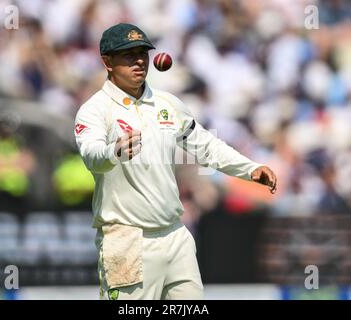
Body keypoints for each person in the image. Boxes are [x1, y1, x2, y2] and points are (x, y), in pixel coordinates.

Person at [74, 23, 277, 300]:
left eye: (142, 53)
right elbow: (91, 155)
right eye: (128, 54)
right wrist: (113, 152)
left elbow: (206, 146)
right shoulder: (94, 110)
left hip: (175, 235)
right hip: (126, 240)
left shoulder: (167, 104)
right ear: (107, 62)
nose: (138, 61)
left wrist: (250, 168)